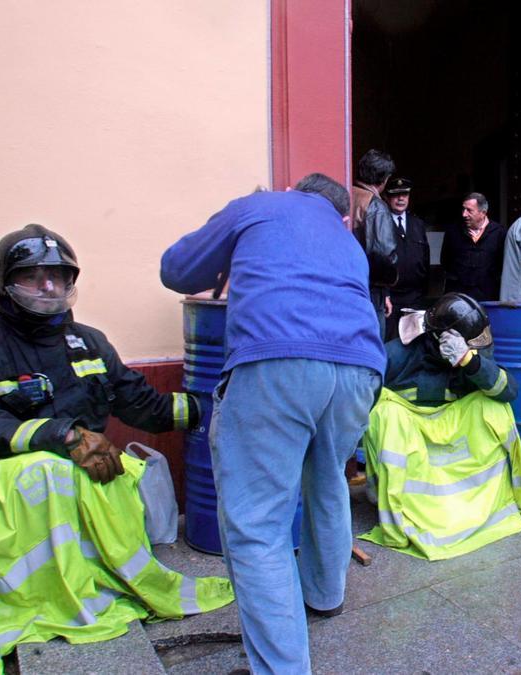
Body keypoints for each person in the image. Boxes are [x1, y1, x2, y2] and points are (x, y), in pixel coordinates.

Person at [0, 225, 233, 673]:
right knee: (43, 469)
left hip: (90, 473)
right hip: (6, 483)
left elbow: (144, 404)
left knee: (112, 472)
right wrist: (61, 436)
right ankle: (34, 593)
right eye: (33, 276)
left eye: (58, 277)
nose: (47, 287)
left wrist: (213, 409)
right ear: (4, 283)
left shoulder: (90, 343)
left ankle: (94, 577)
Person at [160, 174, 384, 673]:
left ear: (292, 190)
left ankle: (282, 668)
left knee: (258, 522)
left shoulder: (258, 207)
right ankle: (325, 596)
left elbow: (175, 269)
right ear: (342, 213)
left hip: (277, 363)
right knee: (327, 478)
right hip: (360, 372)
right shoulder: (348, 243)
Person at [359, 293, 521, 560]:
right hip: (413, 433)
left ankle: (503, 502)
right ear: (440, 337)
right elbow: (360, 390)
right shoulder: (400, 352)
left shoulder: (469, 352)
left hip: (451, 431)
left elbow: (508, 390)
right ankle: (392, 505)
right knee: (383, 413)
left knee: (495, 407)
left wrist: (470, 361)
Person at [351, 149, 400, 337]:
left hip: (349, 285)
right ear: (384, 179)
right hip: (370, 292)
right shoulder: (376, 206)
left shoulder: (346, 194)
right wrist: (387, 286)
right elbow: (384, 256)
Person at [383, 176, 431, 340]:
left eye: (404, 194)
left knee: (415, 343)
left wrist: (423, 291)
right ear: (387, 197)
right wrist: (385, 293)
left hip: (414, 297)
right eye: (396, 195)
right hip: (391, 297)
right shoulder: (382, 222)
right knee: (390, 343)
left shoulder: (417, 224)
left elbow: (425, 258)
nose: (401, 198)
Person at [441, 192, 505, 302]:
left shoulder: (499, 233)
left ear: (483, 213)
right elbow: (446, 260)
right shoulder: (453, 232)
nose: (464, 214)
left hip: (487, 297)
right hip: (458, 298)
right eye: (463, 209)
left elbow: (501, 264)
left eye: (469, 210)